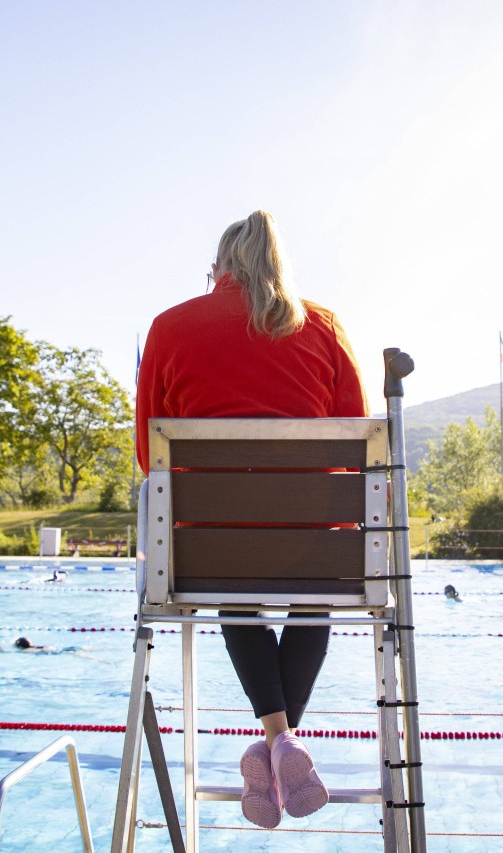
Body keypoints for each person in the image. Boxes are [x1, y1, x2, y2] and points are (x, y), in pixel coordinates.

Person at [135, 210, 366, 829]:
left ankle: (276, 740)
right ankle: (282, 744)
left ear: (219, 269)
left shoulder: (169, 326)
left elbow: (144, 453)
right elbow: (356, 444)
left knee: (233, 591)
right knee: (313, 599)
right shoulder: (323, 324)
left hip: (213, 543)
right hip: (316, 543)